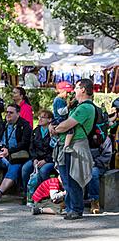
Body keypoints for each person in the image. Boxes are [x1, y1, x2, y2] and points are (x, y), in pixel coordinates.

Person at [50, 79, 97, 220]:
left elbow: (67, 125)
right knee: (67, 180)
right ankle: (71, 208)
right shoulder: (79, 106)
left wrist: (54, 130)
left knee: (73, 179)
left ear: (83, 89)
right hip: (68, 145)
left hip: (76, 146)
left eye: (76, 88)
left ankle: (76, 209)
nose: (74, 91)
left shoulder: (85, 108)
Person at [0, 103, 33, 204]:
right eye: (7, 112)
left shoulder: (25, 126)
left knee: (14, 168)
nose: (8, 114)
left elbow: (25, 143)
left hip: (15, 156)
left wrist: (10, 150)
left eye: (11, 113)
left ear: (18, 114)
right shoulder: (1, 124)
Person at [21, 110, 56, 203]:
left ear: (49, 119)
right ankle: (27, 193)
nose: (40, 119)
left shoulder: (53, 131)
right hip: (36, 158)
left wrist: (46, 160)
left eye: (43, 117)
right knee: (25, 168)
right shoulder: (36, 131)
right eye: (39, 117)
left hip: (49, 159)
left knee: (43, 171)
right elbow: (31, 147)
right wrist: (34, 158)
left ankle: (44, 195)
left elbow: (54, 149)